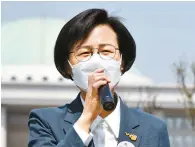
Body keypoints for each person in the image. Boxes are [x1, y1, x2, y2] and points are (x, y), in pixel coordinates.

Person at [28, 8, 170, 147]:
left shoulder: (153, 128)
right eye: (84, 53)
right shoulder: (46, 122)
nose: (96, 61)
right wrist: (86, 118)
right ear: (68, 66)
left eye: (106, 51)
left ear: (122, 61)